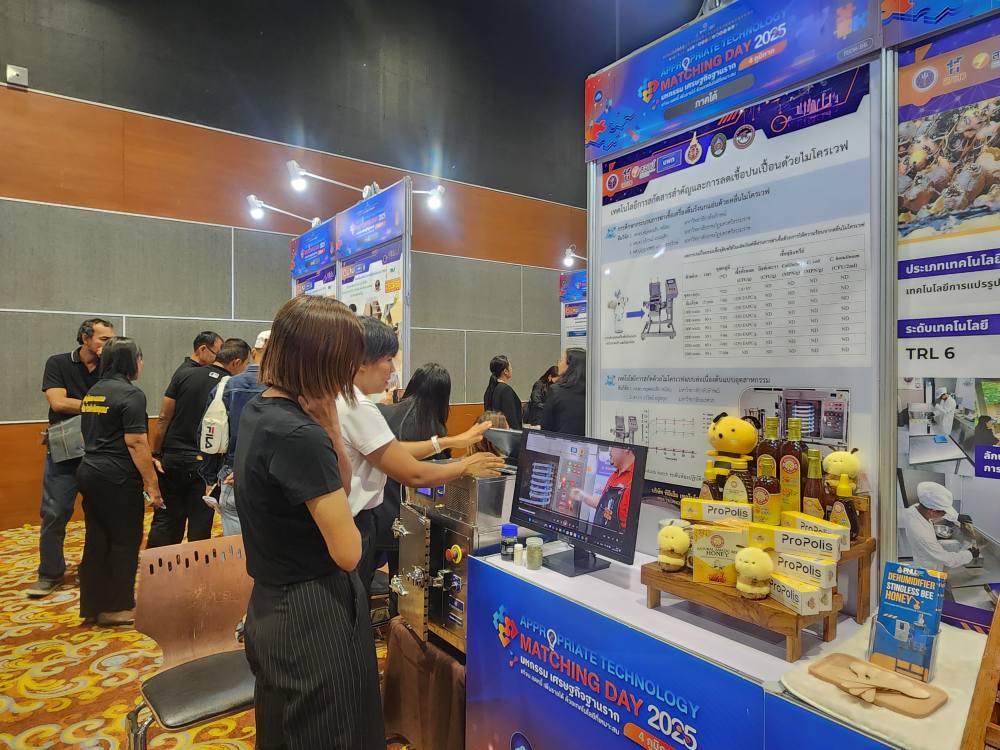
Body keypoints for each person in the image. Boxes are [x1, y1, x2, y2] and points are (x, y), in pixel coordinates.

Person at [234, 295, 383, 748]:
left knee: (284, 731)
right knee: (331, 733)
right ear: (325, 359)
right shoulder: (299, 435)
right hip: (311, 613)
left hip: (272, 604)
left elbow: (336, 482)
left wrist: (331, 426)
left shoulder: (263, 409)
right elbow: (349, 552)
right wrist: (324, 431)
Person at [337, 318, 506, 594]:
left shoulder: (352, 402)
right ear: (362, 361)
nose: (393, 370)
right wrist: (464, 465)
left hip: (370, 522)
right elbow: (412, 473)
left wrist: (451, 441)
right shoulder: (358, 406)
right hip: (359, 522)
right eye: (388, 360)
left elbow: (393, 449)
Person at [77, 338, 163, 626]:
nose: (142, 364)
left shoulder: (94, 391)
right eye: (140, 358)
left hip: (90, 470)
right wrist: (152, 486)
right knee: (124, 541)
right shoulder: (131, 394)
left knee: (97, 539)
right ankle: (117, 607)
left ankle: (93, 605)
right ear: (130, 361)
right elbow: (137, 443)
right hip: (116, 476)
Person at [28, 317, 115, 598]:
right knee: (54, 513)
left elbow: (120, 402)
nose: (108, 345)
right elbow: (58, 402)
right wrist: (99, 405)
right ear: (85, 338)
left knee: (101, 514)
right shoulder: (58, 363)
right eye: (104, 339)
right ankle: (49, 573)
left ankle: (95, 568)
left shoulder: (111, 367)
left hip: (100, 451)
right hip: (64, 452)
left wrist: (89, 405)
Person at [148, 338, 249, 547]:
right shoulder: (231, 386)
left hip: (171, 459)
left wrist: (156, 453)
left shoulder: (184, 374)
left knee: (165, 520)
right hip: (204, 464)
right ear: (237, 362)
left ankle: (159, 567)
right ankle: (196, 568)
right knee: (200, 523)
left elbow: (163, 417)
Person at [376, 363, 453, 608]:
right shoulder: (436, 431)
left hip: (376, 514)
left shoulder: (383, 413)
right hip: (412, 521)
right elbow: (437, 479)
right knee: (406, 589)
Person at [207, 330, 270, 536]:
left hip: (232, 475)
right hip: (274, 480)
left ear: (253, 352)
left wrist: (210, 476)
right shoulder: (292, 389)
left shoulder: (226, 386)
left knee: (236, 548)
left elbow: (208, 434)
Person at [902, 481, 978, 572]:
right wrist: (969, 554)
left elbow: (938, 512)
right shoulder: (922, 535)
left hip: (928, 557)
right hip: (929, 569)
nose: (945, 514)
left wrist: (956, 517)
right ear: (932, 512)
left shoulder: (916, 509)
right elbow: (948, 560)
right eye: (944, 512)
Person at [570, 447, 636, 532]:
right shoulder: (614, 476)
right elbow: (604, 504)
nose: (609, 450)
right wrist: (583, 496)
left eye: (613, 447)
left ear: (626, 448)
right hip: (600, 535)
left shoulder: (636, 479)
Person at [541, 347, 587, 436]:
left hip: (560, 441)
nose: (558, 363)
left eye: (561, 360)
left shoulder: (556, 391)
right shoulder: (592, 393)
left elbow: (546, 426)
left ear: (570, 365)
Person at [484, 355, 523, 430]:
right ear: (505, 371)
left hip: (493, 433)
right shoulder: (506, 390)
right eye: (510, 366)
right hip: (506, 434)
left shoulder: (489, 389)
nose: (511, 369)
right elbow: (511, 419)